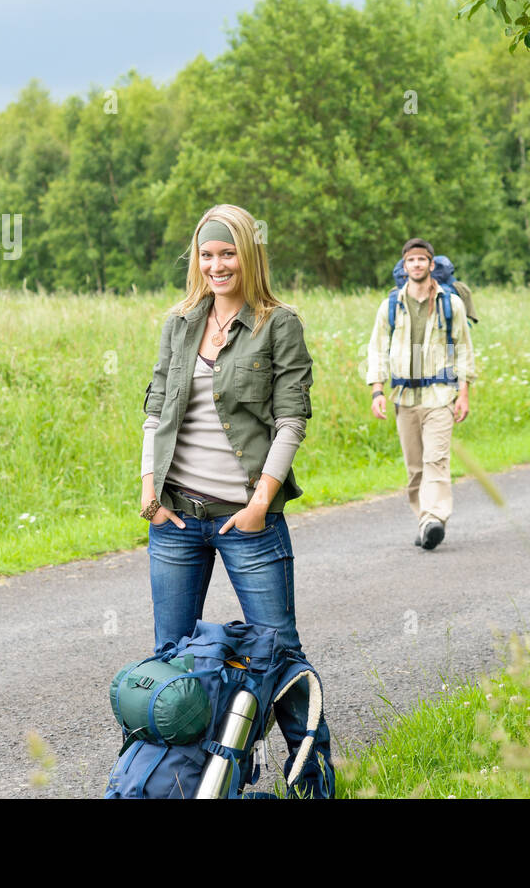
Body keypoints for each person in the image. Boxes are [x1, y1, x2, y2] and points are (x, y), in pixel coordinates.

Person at [138, 203, 333, 797]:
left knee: (279, 654)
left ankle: (311, 783)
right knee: (171, 664)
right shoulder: (180, 322)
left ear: (248, 255)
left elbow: (291, 420)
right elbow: (155, 407)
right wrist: (149, 488)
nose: (217, 264)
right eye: (207, 254)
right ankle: (178, 783)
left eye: (228, 253)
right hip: (175, 517)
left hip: (247, 519)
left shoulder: (279, 323)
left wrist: (260, 503)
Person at [365, 238, 477, 551]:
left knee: (436, 460)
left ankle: (435, 518)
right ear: (404, 266)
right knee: (415, 468)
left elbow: (464, 351)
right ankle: (424, 521)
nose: (416, 264)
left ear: (430, 265)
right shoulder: (390, 306)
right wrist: (377, 391)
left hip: (440, 395)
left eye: (421, 259)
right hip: (404, 397)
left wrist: (464, 393)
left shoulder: (449, 304)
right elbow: (377, 350)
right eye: (410, 260)